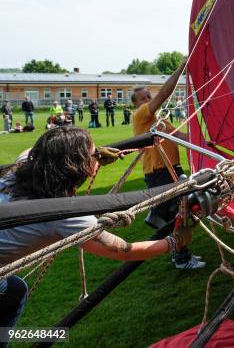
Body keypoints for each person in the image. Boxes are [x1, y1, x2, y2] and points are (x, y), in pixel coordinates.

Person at [0, 127, 196, 341]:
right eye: (93, 154)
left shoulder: (20, 167)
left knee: (16, 290)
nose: (98, 156)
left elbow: (34, 150)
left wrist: (95, 155)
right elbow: (125, 251)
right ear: (77, 166)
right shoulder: (64, 214)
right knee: (14, 292)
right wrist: (174, 241)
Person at [131, 57, 205, 270]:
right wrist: (181, 67)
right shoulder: (141, 116)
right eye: (143, 98)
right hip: (159, 172)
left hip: (173, 170)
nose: (147, 100)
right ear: (136, 104)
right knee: (181, 214)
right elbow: (164, 95)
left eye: (148, 96)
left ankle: (161, 217)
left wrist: (204, 142)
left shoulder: (159, 121)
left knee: (182, 213)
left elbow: (178, 135)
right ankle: (180, 256)